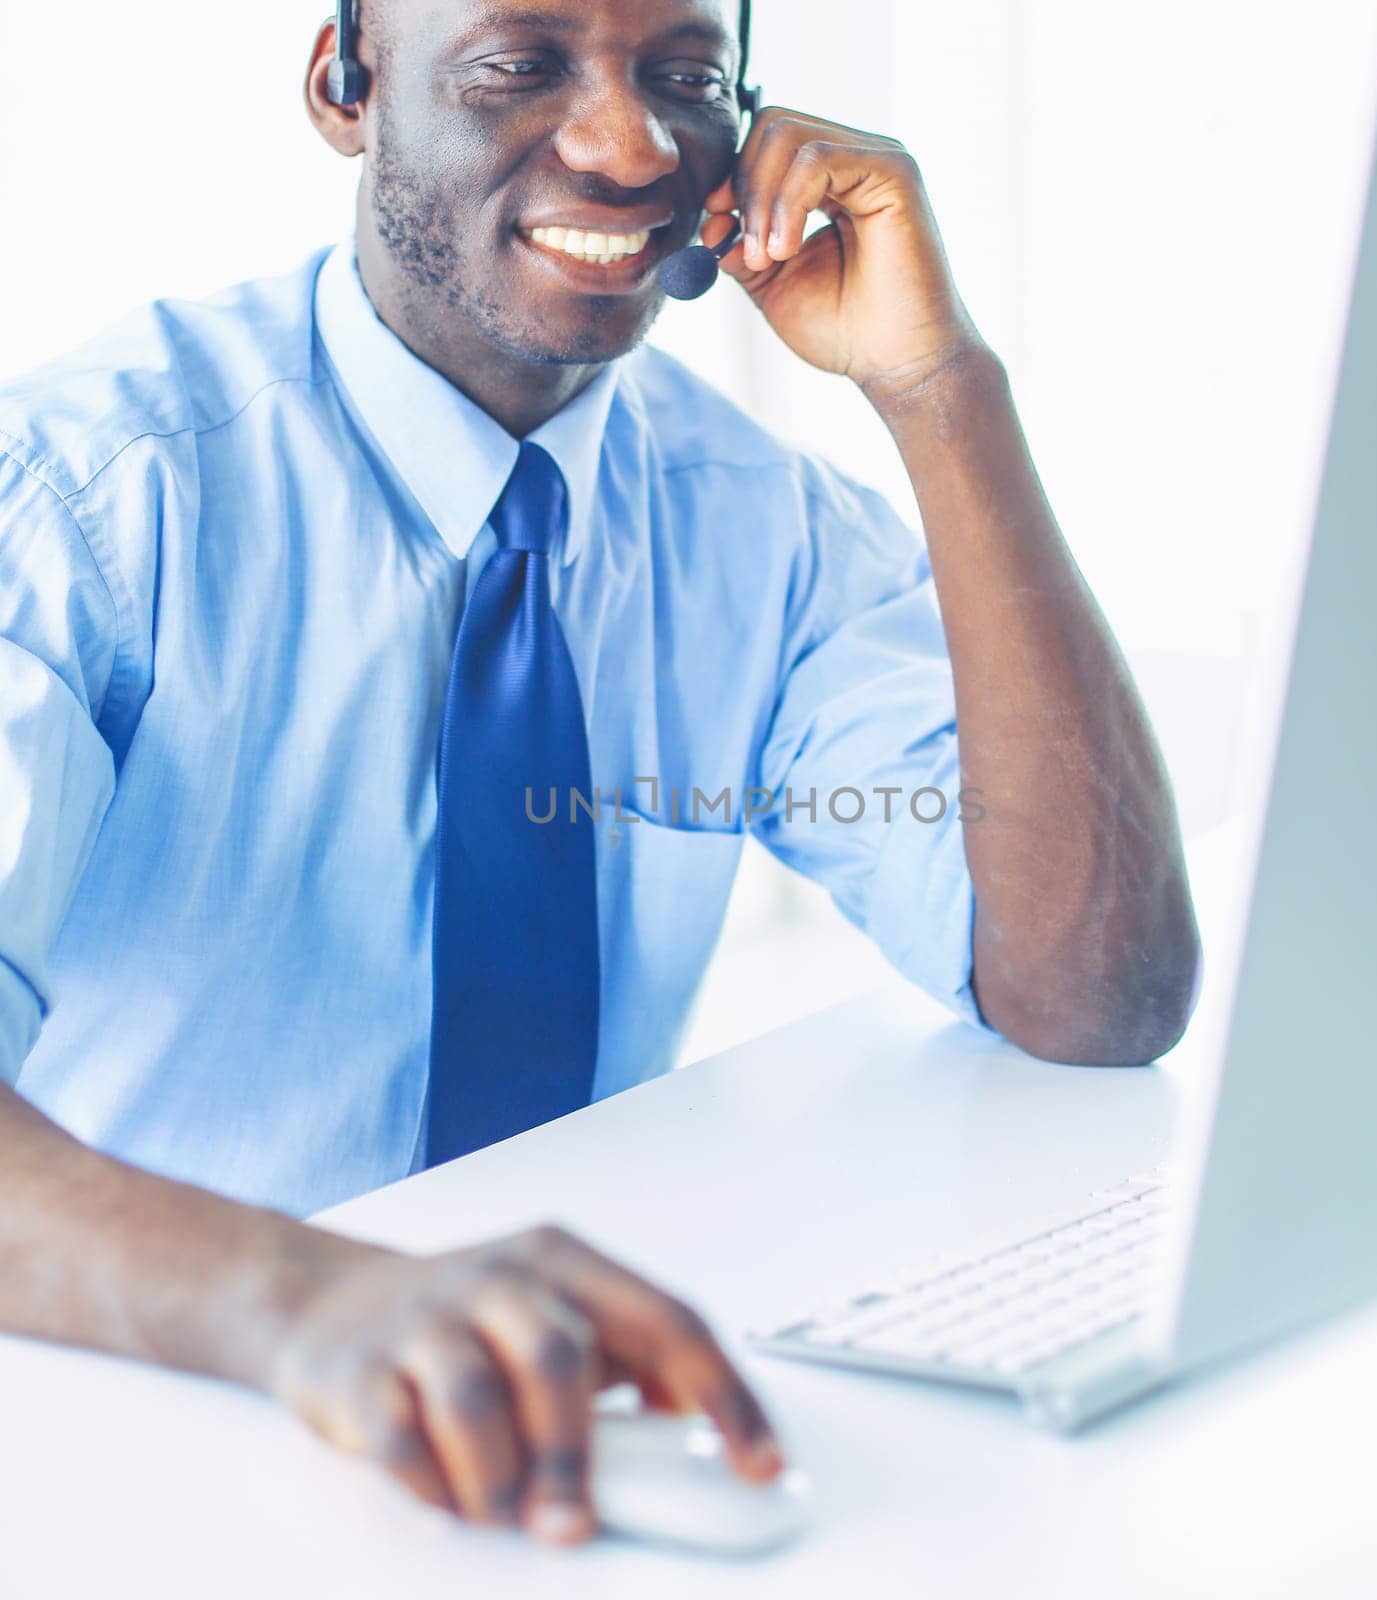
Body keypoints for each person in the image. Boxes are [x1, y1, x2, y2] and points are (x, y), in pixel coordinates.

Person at [0, 0, 1200, 1548]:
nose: (628, 146)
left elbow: (1095, 989)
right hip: (154, 1414)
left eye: (687, 78)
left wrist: (939, 390)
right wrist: (315, 1302)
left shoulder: (757, 528)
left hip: (574, 1413)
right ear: (345, 84)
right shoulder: (90, 501)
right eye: (520, 64)